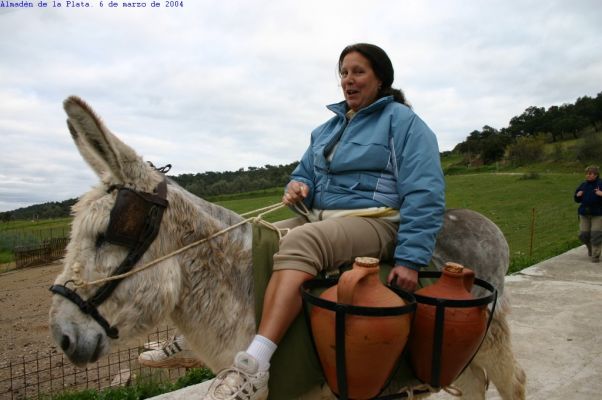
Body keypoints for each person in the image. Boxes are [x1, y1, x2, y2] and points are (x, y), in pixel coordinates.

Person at [206, 43, 446, 400]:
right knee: (254, 236)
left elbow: (425, 190)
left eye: (358, 71)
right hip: (323, 218)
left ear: (381, 79)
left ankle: (254, 367)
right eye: (344, 73)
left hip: (378, 221)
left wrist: (411, 258)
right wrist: (297, 187)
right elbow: (303, 173)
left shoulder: (404, 122)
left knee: (304, 242)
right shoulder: (325, 130)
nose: (348, 80)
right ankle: (208, 330)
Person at [574, 165, 602, 262]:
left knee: (596, 234)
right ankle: (590, 248)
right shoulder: (583, 185)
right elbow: (577, 199)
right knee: (583, 234)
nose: (588, 175)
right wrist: (577, 195)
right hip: (584, 214)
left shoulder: (600, 184)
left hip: (598, 214)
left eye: (590, 174)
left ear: (596, 175)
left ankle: (595, 255)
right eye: (587, 174)